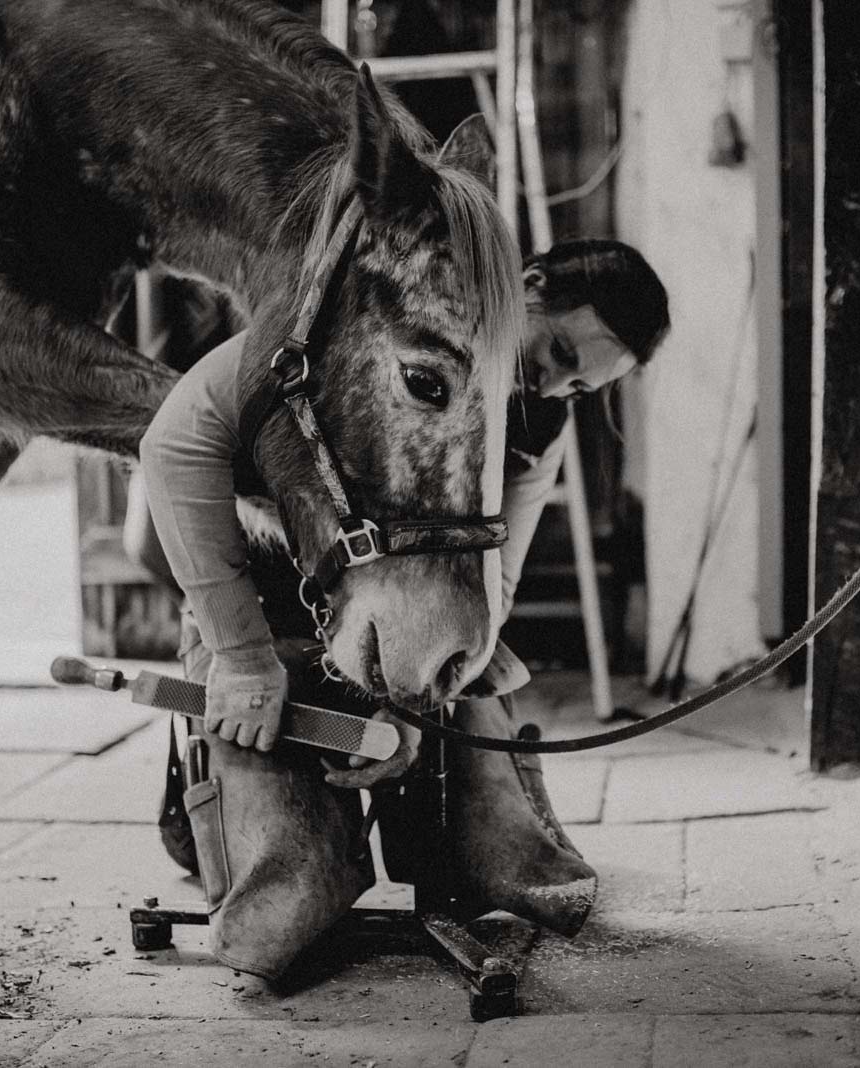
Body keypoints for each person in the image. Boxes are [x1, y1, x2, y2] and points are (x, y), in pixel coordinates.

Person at [139, 237, 669, 985]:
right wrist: (240, 655)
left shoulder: (538, 424)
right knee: (277, 921)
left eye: (578, 387)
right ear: (530, 286)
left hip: (397, 627)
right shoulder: (366, 330)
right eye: (554, 350)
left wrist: (415, 697)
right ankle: (229, 798)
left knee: (509, 860)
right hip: (269, 617)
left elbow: (493, 587)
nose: (550, 389)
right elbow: (165, 469)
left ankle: (461, 830)